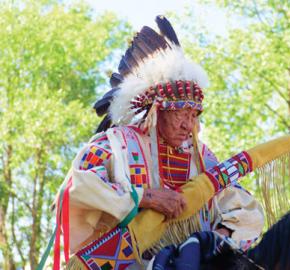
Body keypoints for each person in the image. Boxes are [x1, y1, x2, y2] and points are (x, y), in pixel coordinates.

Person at [61, 16, 264, 267]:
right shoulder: (115, 145)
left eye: (194, 115)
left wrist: (209, 243)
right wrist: (143, 197)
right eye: (181, 113)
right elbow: (74, 191)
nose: (188, 125)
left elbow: (248, 212)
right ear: (157, 110)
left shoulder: (202, 158)